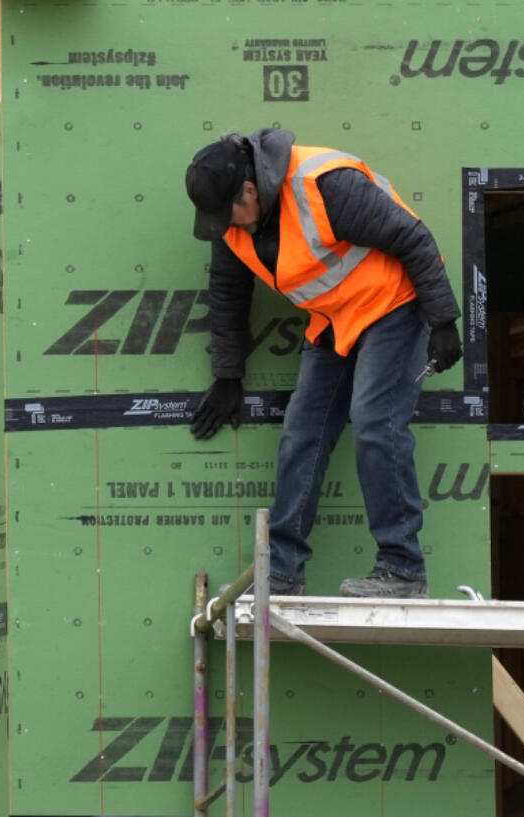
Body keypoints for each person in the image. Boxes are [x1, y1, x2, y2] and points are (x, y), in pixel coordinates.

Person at [184, 128, 462, 598]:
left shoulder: (323, 185)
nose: (222, 226)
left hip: (392, 305)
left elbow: (412, 236)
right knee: (302, 432)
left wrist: (443, 320)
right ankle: (282, 573)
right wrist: (228, 375)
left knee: (376, 422)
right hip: (334, 320)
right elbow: (229, 295)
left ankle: (402, 569)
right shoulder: (231, 228)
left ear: (248, 190)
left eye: (225, 213)